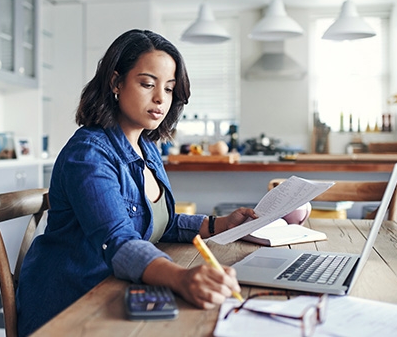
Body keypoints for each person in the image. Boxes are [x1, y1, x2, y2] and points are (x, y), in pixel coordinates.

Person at [15, 29, 258, 336]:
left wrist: (219, 224)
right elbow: (119, 239)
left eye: (169, 89)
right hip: (72, 304)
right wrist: (182, 278)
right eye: (147, 84)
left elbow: (156, 223)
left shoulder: (147, 148)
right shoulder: (88, 154)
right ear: (116, 82)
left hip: (117, 291)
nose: (160, 98)